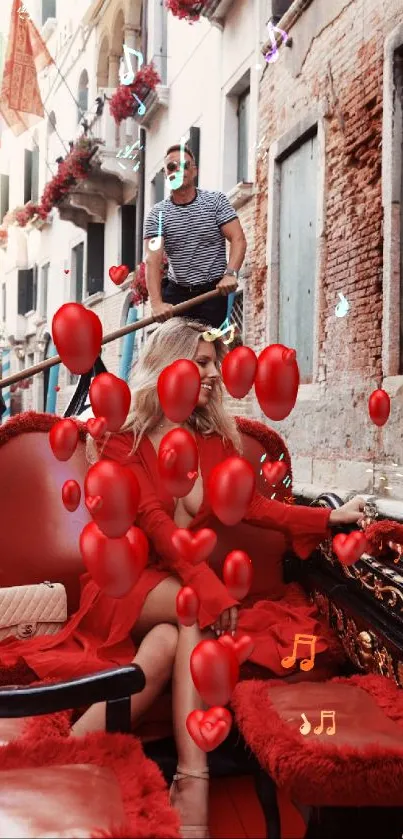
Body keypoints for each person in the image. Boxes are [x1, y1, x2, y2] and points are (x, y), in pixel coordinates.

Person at [0, 319, 365, 838]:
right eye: (201, 361)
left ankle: (69, 760)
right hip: (124, 586)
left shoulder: (216, 443)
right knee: (193, 608)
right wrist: (210, 590)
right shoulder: (125, 440)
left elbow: (257, 506)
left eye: (214, 363)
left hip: (174, 596)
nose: (212, 373)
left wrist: (328, 520)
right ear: (168, 365)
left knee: (171, 640)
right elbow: (153, 521)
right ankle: (193, 782)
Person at [144, 144, 247, 329]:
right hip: (177, 293)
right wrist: (156, 304)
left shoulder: (216, 202)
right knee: (175, 350)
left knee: (207, 349)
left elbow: (238, 239)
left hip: (213, 291)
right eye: (171, 166)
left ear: (194, 171)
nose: (178, 170)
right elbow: (153, 260)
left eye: (185, 165)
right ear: (166, 175)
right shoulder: (157, 214)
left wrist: (230, 274)